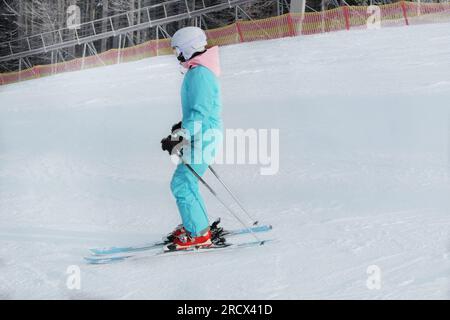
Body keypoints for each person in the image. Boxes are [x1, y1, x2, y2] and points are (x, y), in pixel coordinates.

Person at [161, 27, 223, 250]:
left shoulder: (200, 74)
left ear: (189, 47)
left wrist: (182, 135)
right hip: (201, 135)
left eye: (178, 50)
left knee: (183, 183)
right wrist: (181, 128)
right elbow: (196, 111)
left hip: (204, 138)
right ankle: (196, 225)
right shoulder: (198, 71)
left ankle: (198, 233)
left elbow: (200, 113)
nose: (177, 55)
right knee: (185, 182)